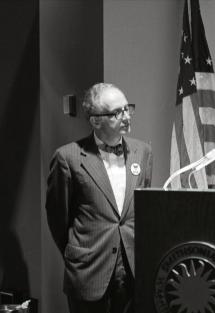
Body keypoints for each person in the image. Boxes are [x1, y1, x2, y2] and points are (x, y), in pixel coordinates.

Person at [45, 83, 153, 313]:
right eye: (117, 112)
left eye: (128, 108)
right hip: (89, 271)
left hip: (132, 270)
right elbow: (57, 217)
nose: (126, 116)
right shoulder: (68, 158)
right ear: (95, 121)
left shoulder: (143, 152)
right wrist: (79, 253)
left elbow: (143, 210)